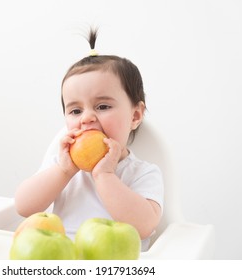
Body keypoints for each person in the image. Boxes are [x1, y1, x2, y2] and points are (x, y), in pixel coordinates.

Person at [15, 28, 164, 251]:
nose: (86, 119)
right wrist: (63, 172)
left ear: (135, 115)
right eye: (75, 111)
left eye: (102, 106)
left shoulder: (142, 172)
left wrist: (105, 175)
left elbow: (143, 226)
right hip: (63, 259)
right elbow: (23, 206)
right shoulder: (62, 166)